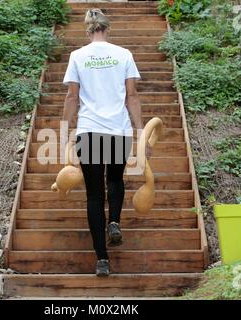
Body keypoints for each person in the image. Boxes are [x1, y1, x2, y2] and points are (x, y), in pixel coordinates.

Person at [62, 8, 151, 276]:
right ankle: (114, 220)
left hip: (89, 131)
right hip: (118, 130)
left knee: (93, 194)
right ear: (107, 29)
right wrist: (140, 130)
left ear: (87, 30)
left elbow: (71, 98)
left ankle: (102, 259)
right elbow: (132, 96)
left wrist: (65, 130)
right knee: (115, 179)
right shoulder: (123, 54)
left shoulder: (77, 56)